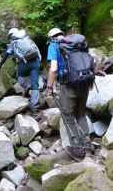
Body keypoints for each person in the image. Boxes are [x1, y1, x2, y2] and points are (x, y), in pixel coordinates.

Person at [46, 28, 94, 161]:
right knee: (81, 114)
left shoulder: (54, 45)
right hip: (84, 82)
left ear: (51, 37)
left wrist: (49, 86)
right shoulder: (77, 43)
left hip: (68, 85)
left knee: (67, 116)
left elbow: (54, 68)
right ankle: (88, 144)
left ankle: (77, 148)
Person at [0, 28, 41, 112]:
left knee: (20, 78)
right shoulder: (27, 39)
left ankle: (27, 87)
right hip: (35, 62)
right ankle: (35, 105)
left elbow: (6, 55)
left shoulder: (14, 43)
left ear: (11, 35)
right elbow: (36, 51)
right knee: (35, 83)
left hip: (24, 64)